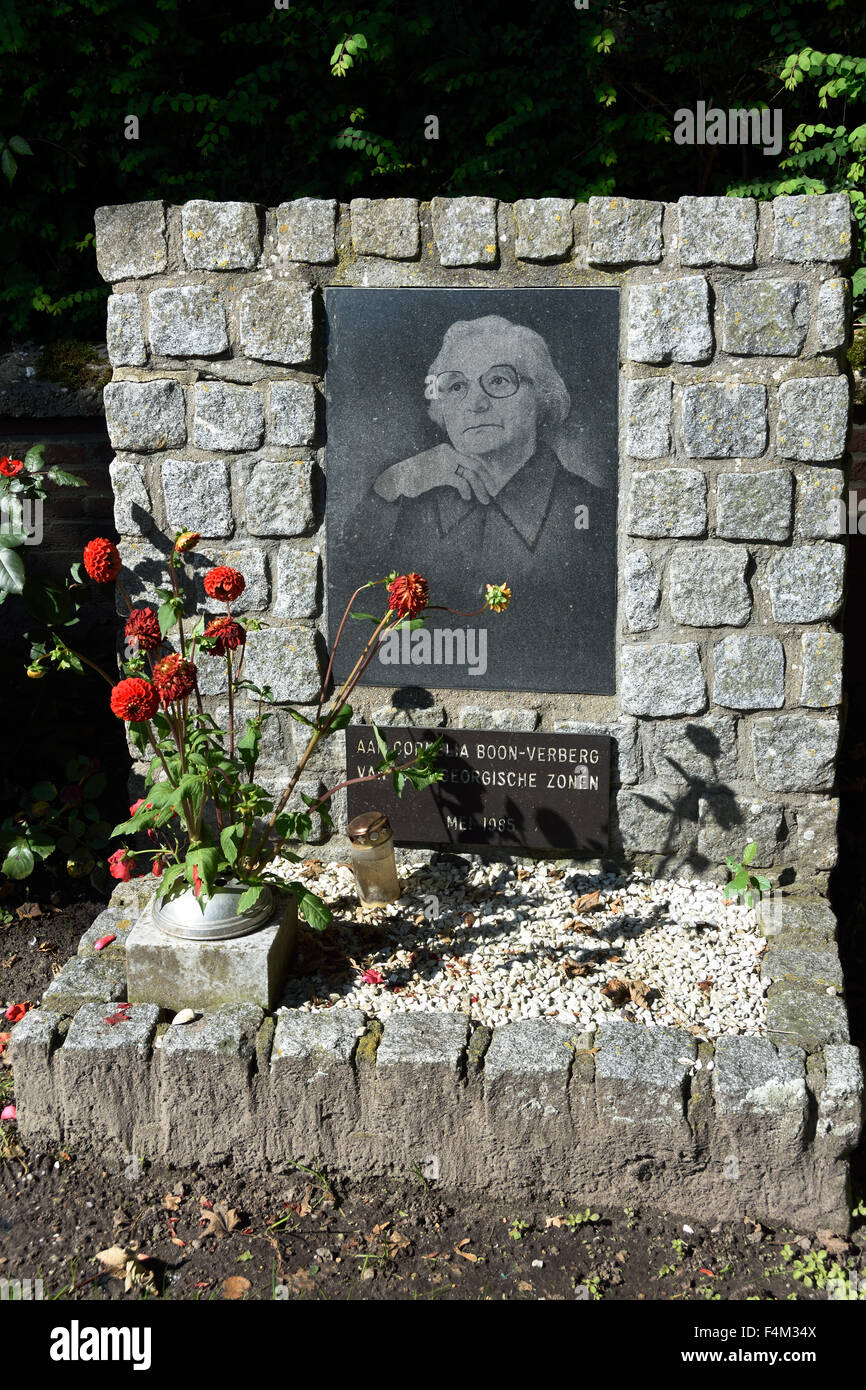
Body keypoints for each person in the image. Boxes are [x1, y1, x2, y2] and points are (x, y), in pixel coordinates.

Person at [338, 313, 616, 693]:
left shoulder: (592, 511)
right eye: (456, 387)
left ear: (541, 397)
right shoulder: (405, 504)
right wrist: (392, 483)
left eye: (499, 381)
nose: (476, 404)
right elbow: (346, 599)